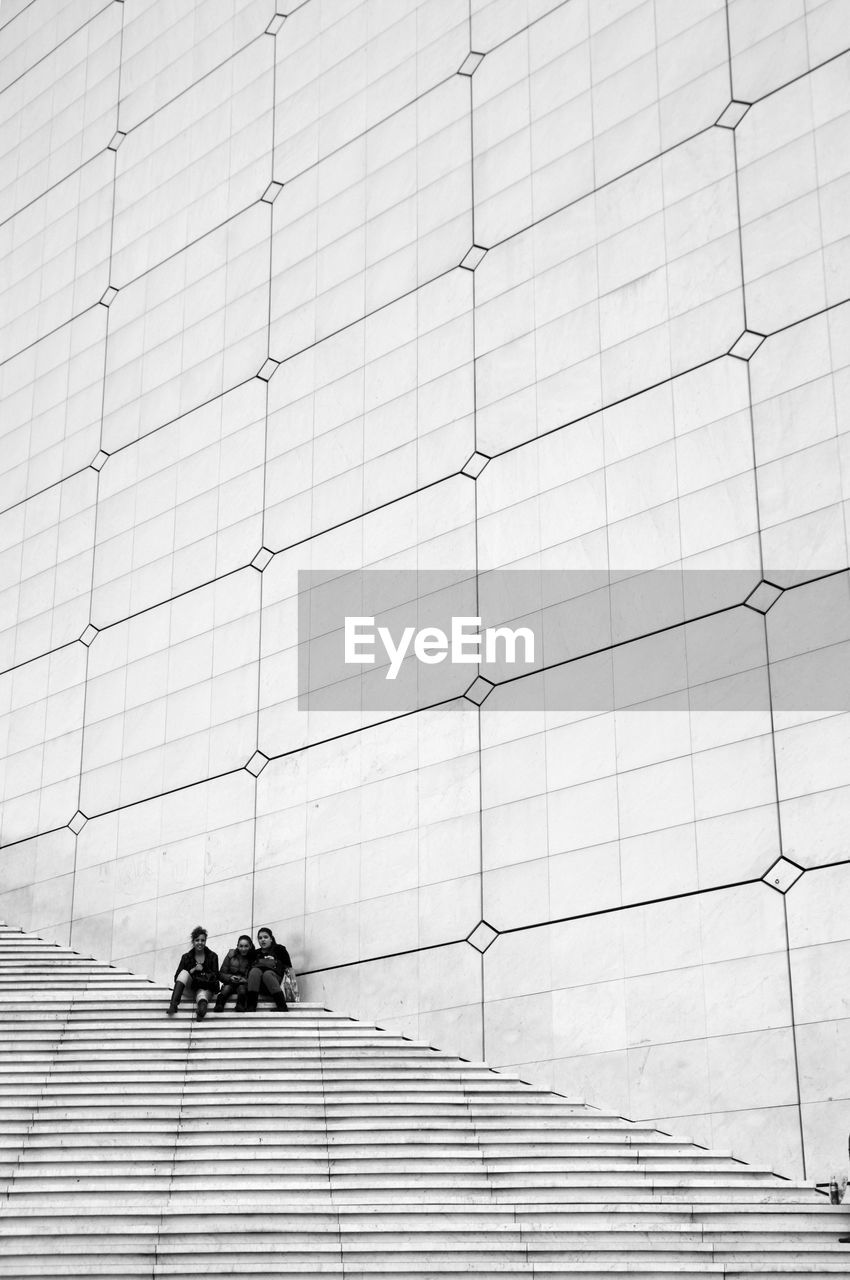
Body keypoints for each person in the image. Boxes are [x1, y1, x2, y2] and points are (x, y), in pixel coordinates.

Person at [167, 925, 219, 1019]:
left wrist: (204, 971)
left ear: (205, 941)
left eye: (202, 940)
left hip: (205, 987)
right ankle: (173, 1005)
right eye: (197, 940)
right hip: (191, 988)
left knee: (202, 996)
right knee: (183, 973)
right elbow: (176, 978)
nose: (200, 943)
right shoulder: (186, 957)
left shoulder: (213, 956)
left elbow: (215, 977)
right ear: (193, 941)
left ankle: (201, 1012)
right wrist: (193, 970)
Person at [245, 927, 291, 1011]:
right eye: (260, 938)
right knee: (254, 971)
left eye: (265, 937)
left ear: (271, 939)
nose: (263, 940)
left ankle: (282, 1006)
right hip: (259, 985)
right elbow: (248, 969)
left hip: (277, 984)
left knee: (267, 974)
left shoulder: (280, 949)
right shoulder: (255, 953)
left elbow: (288, 967)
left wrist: (275, 961)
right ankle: (251, 1006)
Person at [214, 934, 254, 1011]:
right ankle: (219, 1005)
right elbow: (221, 974)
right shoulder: (231, 954)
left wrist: (244, 980)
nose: (243, 949)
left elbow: (252, 978)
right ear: (237, 946)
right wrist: (230, 977)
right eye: (241, 946)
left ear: (250, 946)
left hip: (243, 984)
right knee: (226, 989)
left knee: (242, 990)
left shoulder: (252, 958)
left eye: (246, 946)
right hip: (230, 982)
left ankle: (240, 1006)